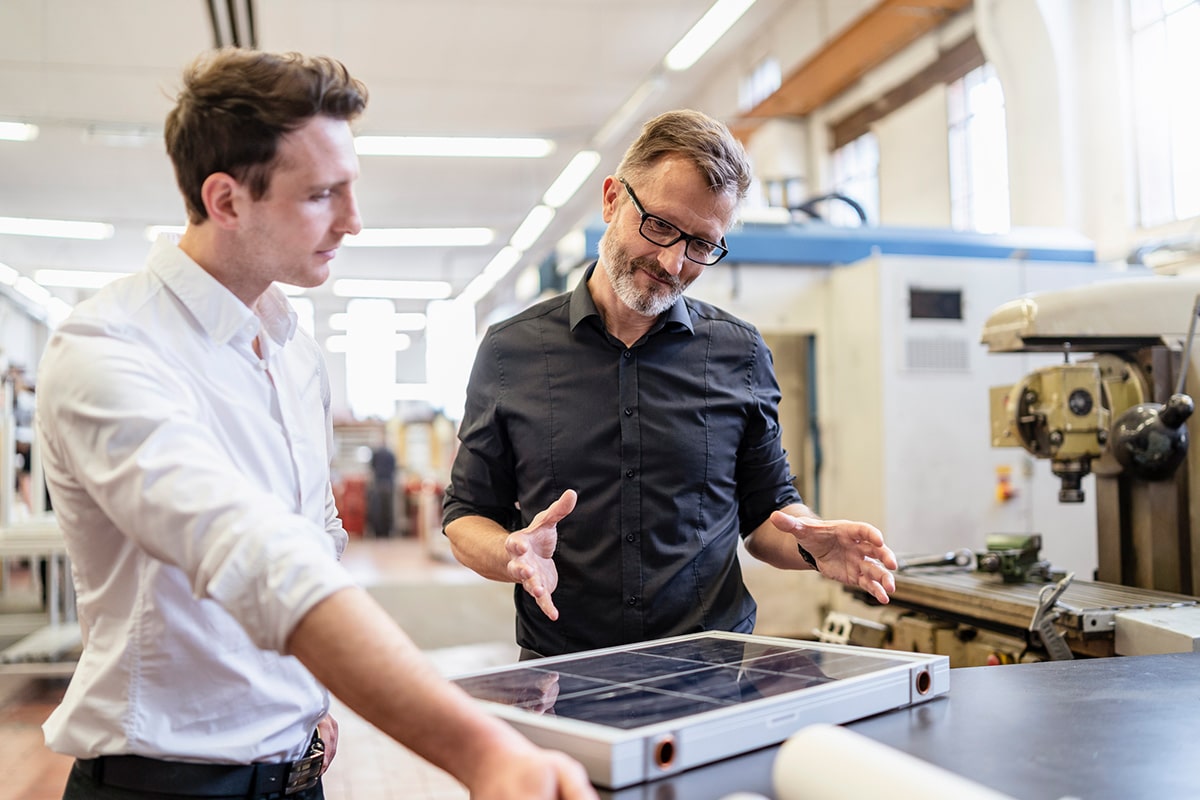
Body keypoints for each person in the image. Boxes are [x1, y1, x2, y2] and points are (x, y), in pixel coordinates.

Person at [35, 47, 597, 800]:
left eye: (351, 188)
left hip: (299, 771)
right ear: (227, 200)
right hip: (165, 784)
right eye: (322, 194)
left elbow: (314, 538)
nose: (354, 222)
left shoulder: (291, 352)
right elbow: (256, 557)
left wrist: (306, 700)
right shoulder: (107, 347)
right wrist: (481, 752)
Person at [443, 109, 898, 660]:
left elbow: (768, 512)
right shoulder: (510, 351)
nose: (672, 260)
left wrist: (810, 540)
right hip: (567, 670)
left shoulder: (740, 353)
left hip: (710, 668)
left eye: (702, 245)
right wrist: (510, 551)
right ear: (612, 200)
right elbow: (467, 512)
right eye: (659, 225)